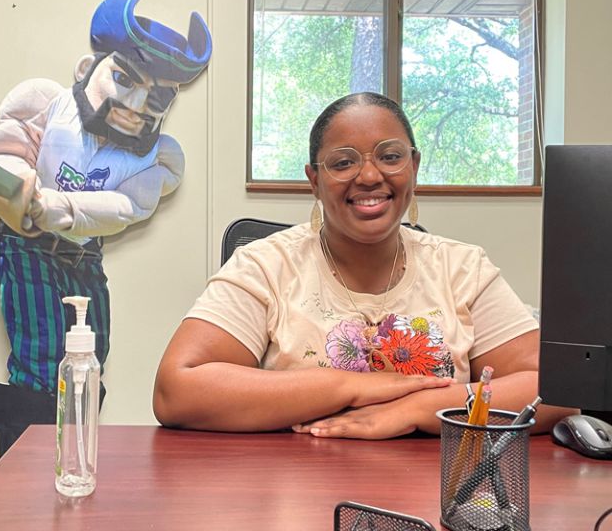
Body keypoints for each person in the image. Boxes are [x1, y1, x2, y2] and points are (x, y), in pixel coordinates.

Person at [153, 92, 569, 439]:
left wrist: (420, 408)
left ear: (414, 167)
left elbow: (559, 389)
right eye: (343, 162)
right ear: (314, 179)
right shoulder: (265, 265)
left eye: (390, 157)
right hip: (292, 492)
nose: (370, 176)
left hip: (434, 493)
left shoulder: (462, 268)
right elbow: (178, 390)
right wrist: (351, 386)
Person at [0, 0, 212, 455]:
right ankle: (22, 469)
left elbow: (124, 209)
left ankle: (75, 458)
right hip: (28, 249)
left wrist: (56, 207)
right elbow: (5, 153)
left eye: (157, 98)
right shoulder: (46, 103)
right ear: (88, 69)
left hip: (85, 256)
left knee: (89, 356)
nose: (137, 106)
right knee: (41, 358)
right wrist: (19, 187)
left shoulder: (159, 158)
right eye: (125, 80)